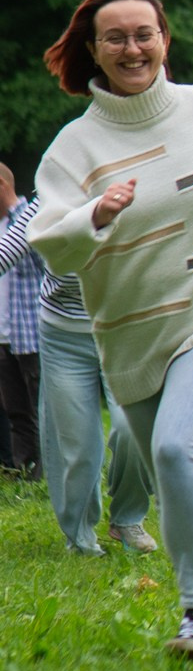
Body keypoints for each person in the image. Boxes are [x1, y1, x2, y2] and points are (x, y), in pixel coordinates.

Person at [30, 0, 193, 657]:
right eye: (115, 38)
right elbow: (51, 242)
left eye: (144, 33)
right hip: (135, 336)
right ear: (94, 50)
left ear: (165, 40)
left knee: (178, 447)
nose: (132, 48)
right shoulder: (73, 149)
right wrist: (94, 213)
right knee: (167, 477)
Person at [1, 194, 156, 552]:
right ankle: (81, 538)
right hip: (64, 332)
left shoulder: (136, 189)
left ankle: (128, 517)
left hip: (123, 329)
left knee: (133, 428)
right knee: (76, 445)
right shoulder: (51, 195)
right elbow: (8, 249)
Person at [0, 164, 44, 480]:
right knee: (16, 411)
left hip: (32, 332)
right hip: (4, 336)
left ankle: (50, 472)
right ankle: (25, 471)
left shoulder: (31, 218)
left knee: (42, 408)